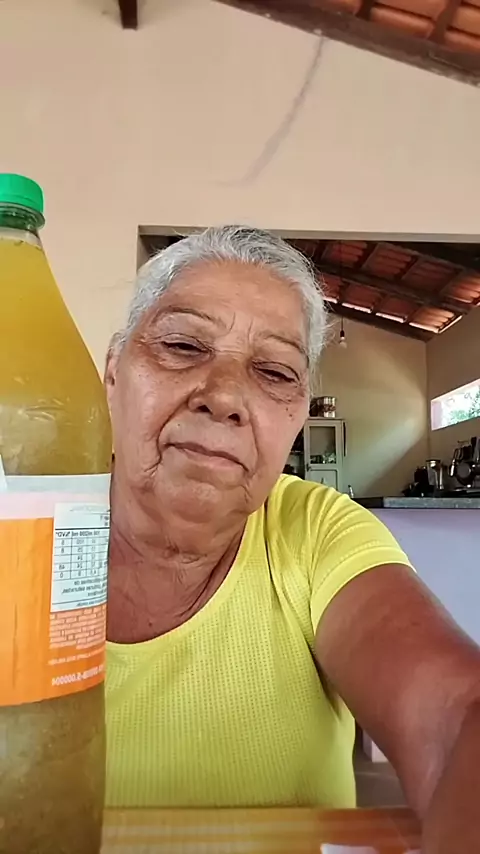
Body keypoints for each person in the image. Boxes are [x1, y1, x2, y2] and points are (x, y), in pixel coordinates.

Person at [105, 225, 480, 852]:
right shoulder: (26, 526)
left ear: (299, 414)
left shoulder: (315, 530)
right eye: (183, 345)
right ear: (115, 370)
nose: (224, 396)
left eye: (274, 371)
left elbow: (455, 719)